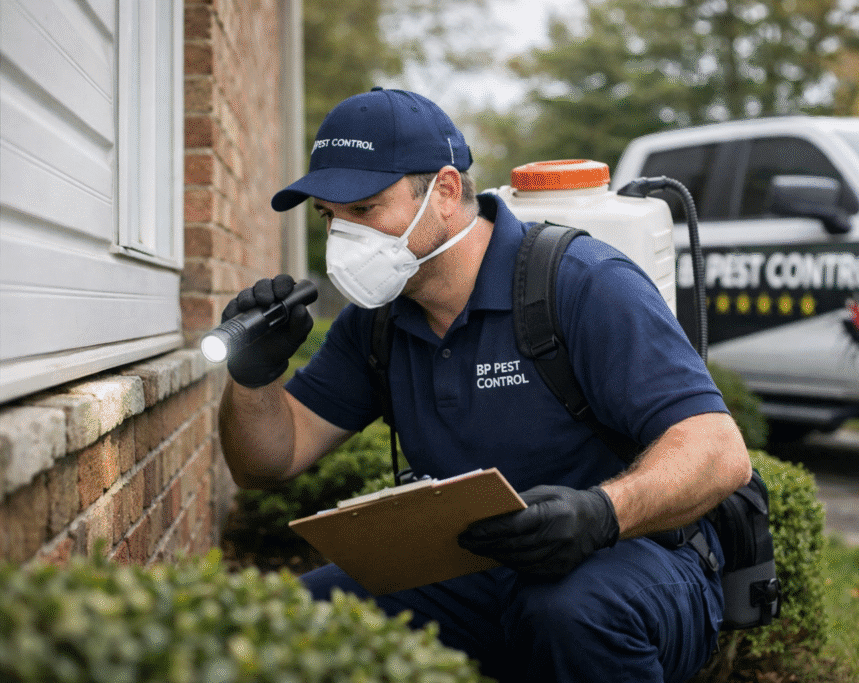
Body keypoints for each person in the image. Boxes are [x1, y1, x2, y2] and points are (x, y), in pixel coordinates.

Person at [217, 87, 752, 682]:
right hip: (475, 571)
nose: (342, 239)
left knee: (566, 610)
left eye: (363, 210)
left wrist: (601, 512)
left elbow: (719, 453)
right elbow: (268, 461)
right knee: (284, 621)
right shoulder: (377, 322)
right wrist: (254, 375)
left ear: (445, 192)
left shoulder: (583, 283)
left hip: (634, 559)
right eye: (327, 216)